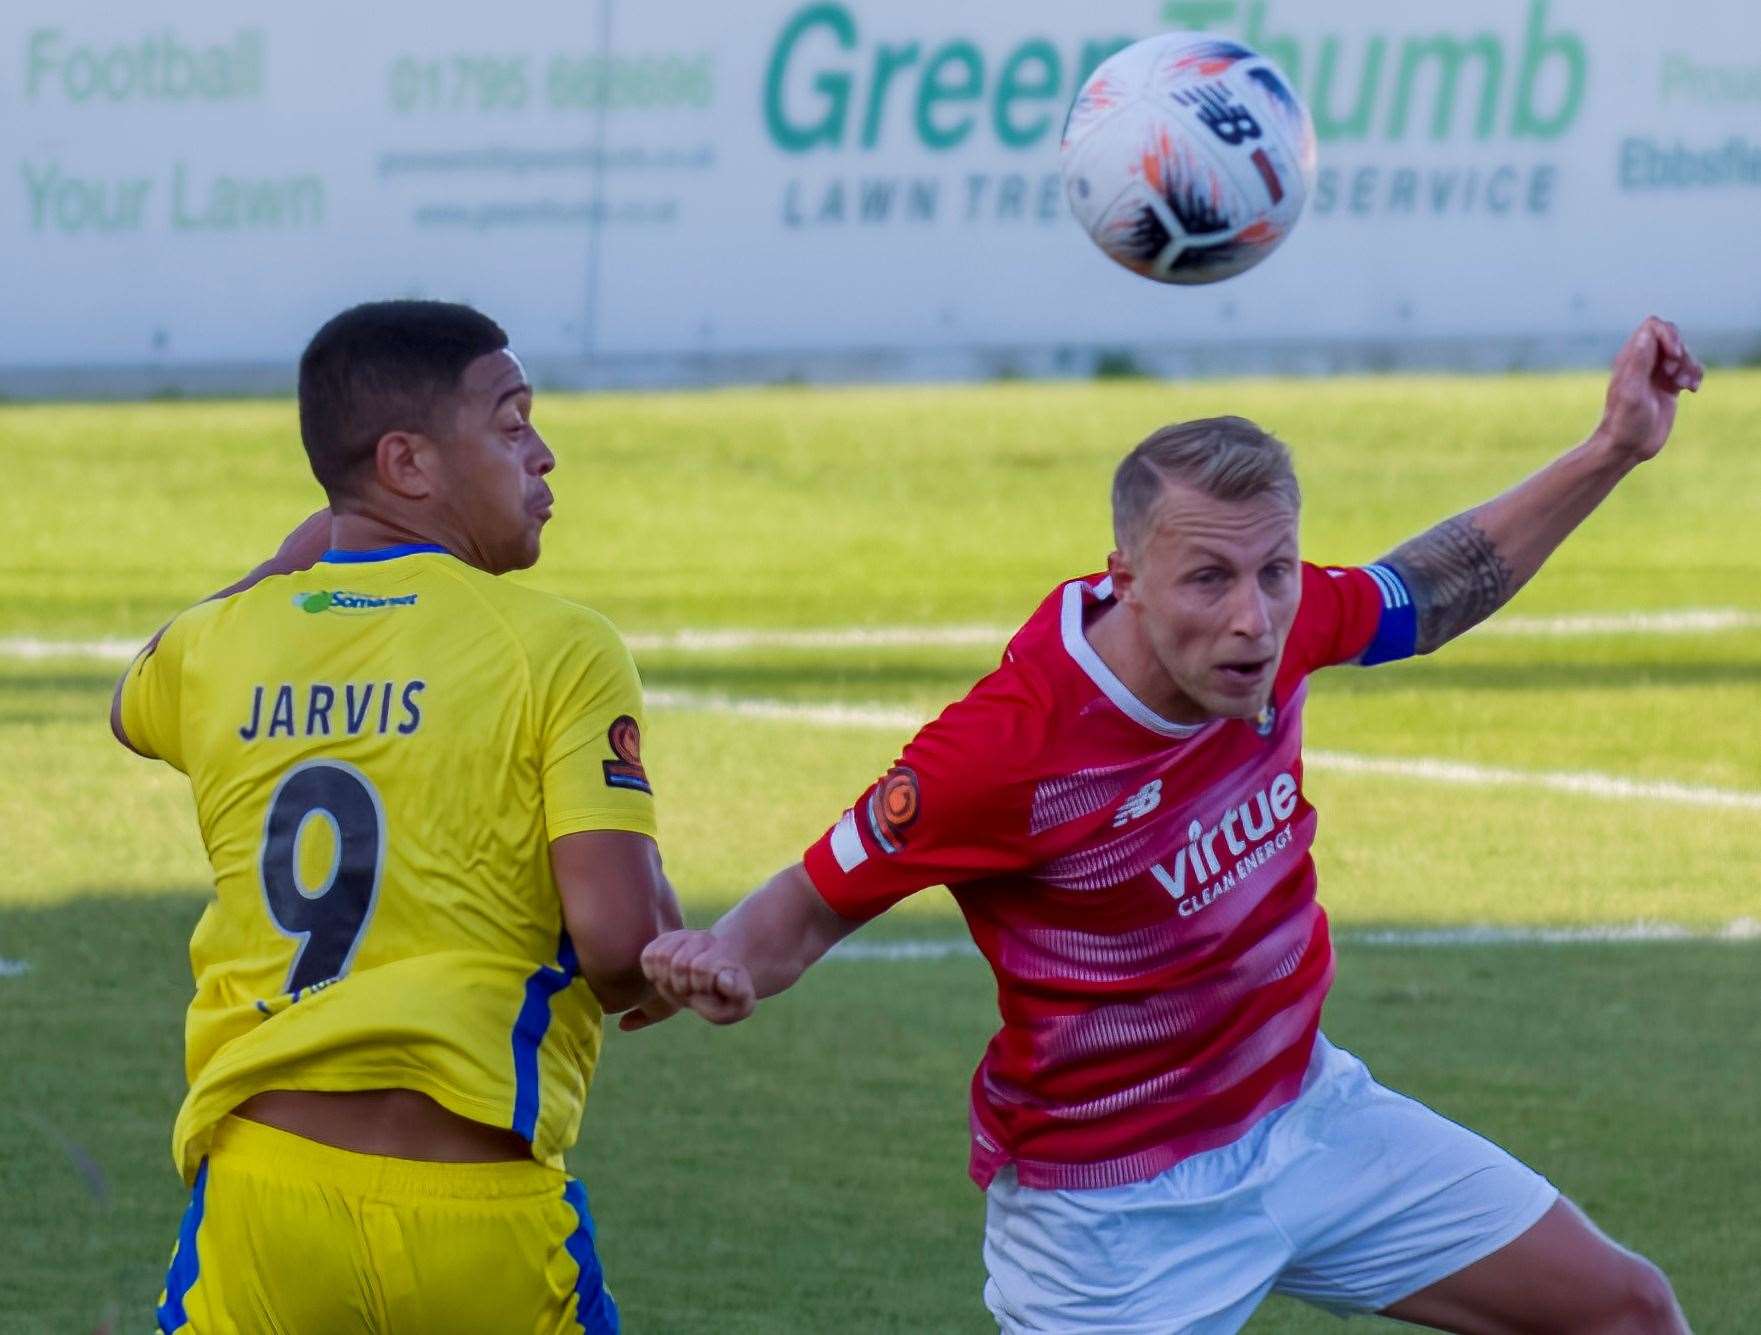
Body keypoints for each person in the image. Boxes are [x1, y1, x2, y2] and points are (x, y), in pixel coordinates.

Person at [633, 317, 1702, 1333]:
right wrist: (723, 961)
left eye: (1274, 570)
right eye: (1209, 579)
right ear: (1125, 581)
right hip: (1114, 1220)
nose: (1253, 616)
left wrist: (1613, 447)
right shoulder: (1008, 751)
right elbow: (811, 904)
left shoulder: (1283, 623)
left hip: (1309, 1114)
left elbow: (1432, 588)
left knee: (1627, 1312)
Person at [111, 300, 679, 1333]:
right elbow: (623, 952)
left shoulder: (217, 647)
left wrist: (299, 555)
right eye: (511, 425)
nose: (544, 456)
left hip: (262, 1201)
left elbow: (129, 697)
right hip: (477, 1213)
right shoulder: (558, 645)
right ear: (409, 463)